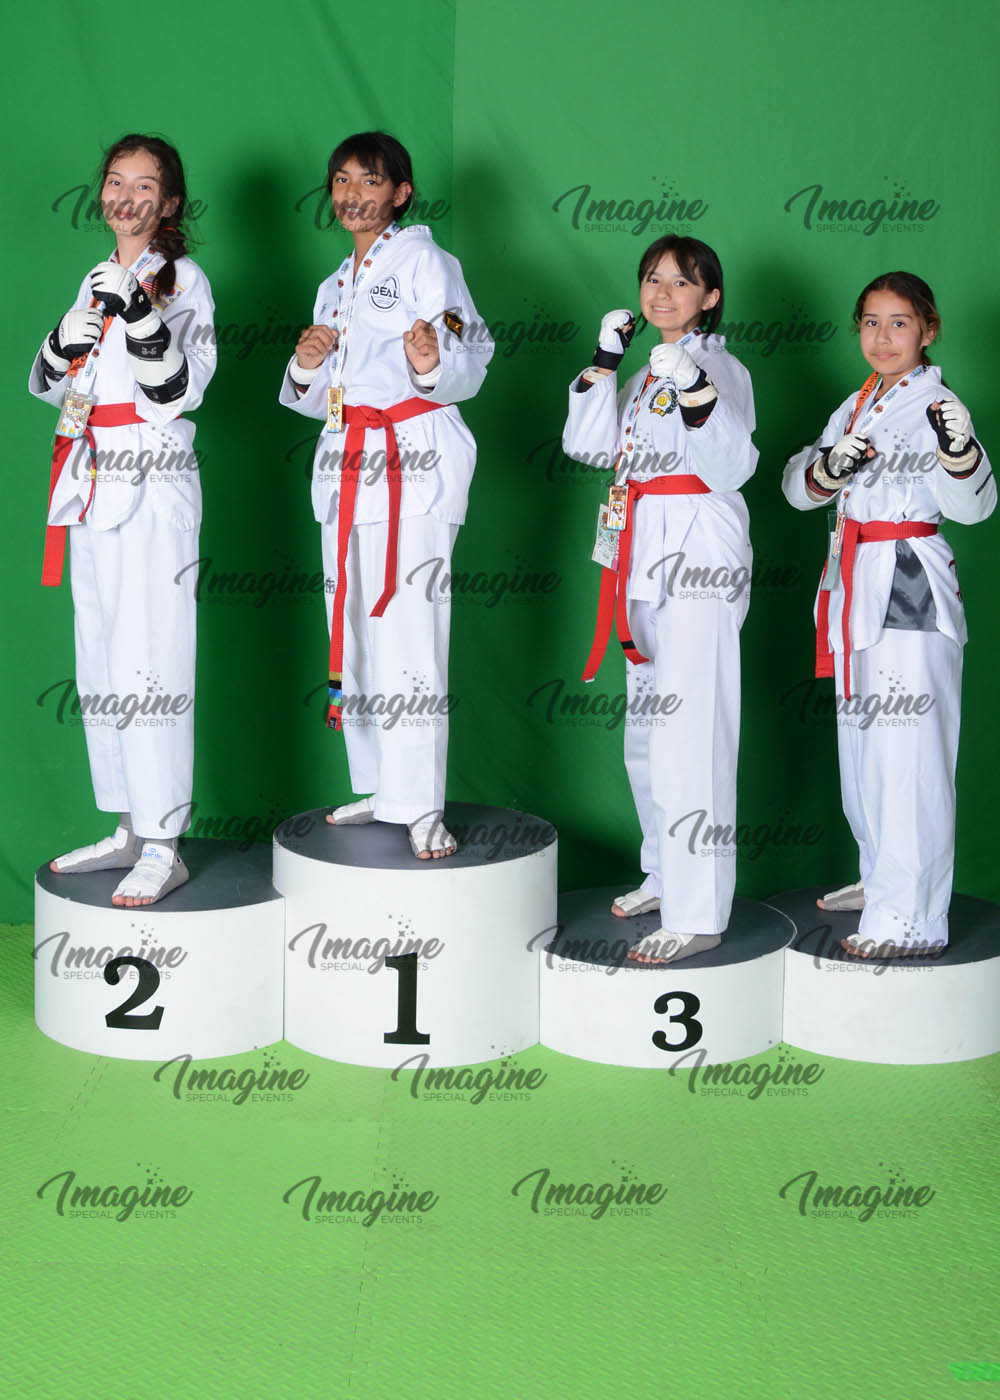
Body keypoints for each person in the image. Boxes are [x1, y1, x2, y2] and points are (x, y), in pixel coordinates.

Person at [280, 131, 492, 859]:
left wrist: (433, 360)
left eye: (370, 181)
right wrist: (306, 367)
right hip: (348, 460)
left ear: (401, 193)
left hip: (412, 460)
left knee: (410, 634)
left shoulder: (428, 263)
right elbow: (324, 399)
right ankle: (378, 784)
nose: (352, 194)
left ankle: (421, 802)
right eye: (341, 180)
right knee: (355, 631)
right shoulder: (334, 284)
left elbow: (470, 353)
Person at [782, 271, 995, 957]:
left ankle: (913, 918)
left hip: (908, 585)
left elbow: (974, 507)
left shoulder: (940, 407)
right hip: (853, 584)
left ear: (929, 330)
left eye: (899, 322)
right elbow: (798, 490)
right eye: (870, 322)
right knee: (865, 749)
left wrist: (960, 452)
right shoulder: (856, 404)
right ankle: (882, 878)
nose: (882, 337)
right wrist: (827, 467)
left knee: (910, 757)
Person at [30, 133, 216, 906]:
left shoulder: (184, 281)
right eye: (115, 181)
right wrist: (60, 340)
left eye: (145, 185)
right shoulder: (96, 274)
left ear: (169, 202)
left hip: (151, 474)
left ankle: (165, 841)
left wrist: (138, 310)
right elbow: (53, 384)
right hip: (92, 472)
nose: (126, 196)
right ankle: (130, 827)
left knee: (151, 660)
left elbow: (178, 390)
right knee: (102, 656)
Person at [562, 235, 757, 964]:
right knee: (646, 732)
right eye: (651, 278)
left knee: (691, 733)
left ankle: (699, 910)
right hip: (640, 545)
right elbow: (588, 447)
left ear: (710, 296)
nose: (662, 292)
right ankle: (664, 872)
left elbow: (732, 463)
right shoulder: (647, 370)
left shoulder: (722, 367)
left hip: (699, 548)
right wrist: (603, 363)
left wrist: (697, 387)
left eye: (681, 281)